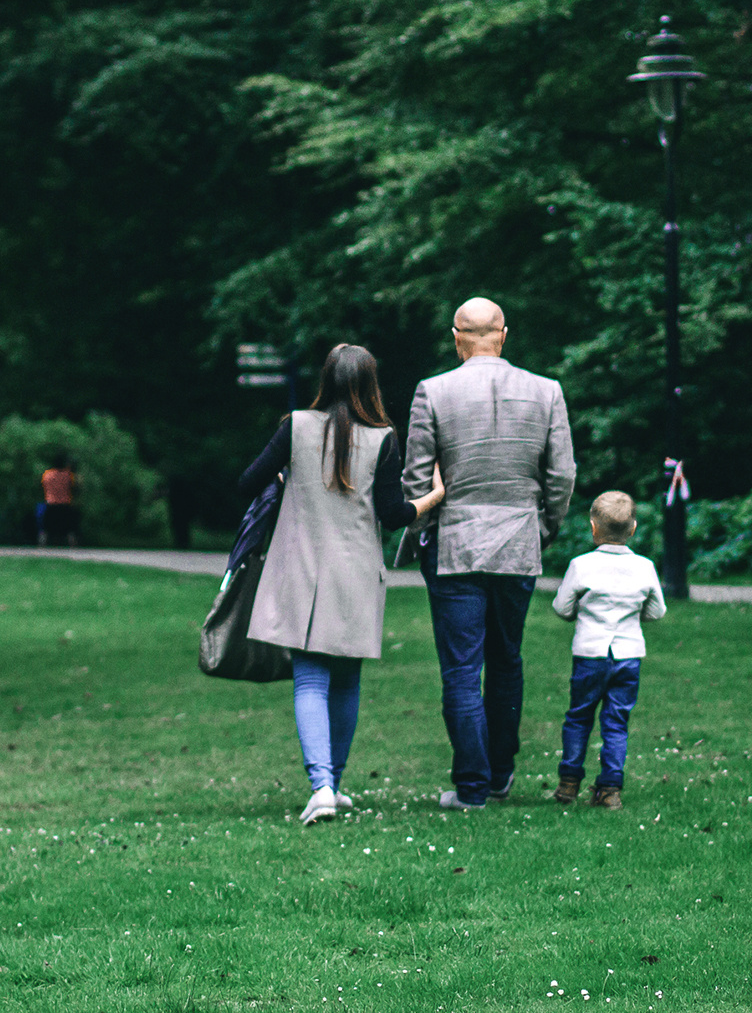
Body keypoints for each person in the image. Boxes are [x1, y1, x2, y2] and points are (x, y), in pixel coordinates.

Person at [240, 344, 446, 824]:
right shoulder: (384, 439)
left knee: (311, 677)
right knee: (347, 679)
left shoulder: (294, 427)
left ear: (326, 379)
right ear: (370, 384)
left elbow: (246, 484)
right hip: (356, 573)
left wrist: (287, 470)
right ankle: (334, 781)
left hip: (302, 569)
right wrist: (434, 496)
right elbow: (394, 515)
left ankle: (323, 785)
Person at [401, 296, 575, 811]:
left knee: (460, 670)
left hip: (455, 545)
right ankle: (499, 776)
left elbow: (415, 478)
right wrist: (542, 528)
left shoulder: (432, 391)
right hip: (518, 542)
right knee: (506, 662)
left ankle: (472, 789)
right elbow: (561, 475)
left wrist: (423, 532)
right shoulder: (547, 392)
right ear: (505, 334)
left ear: (456, 336)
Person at [549, 491, 666, 809]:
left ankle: (569, 782)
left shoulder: (581, 565)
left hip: (590, 654)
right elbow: (656, 611)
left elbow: (562, 607)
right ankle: (610, 788)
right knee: (616, 721)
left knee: (579, 717)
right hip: (627, 655)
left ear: (593, 527)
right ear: (633, 528)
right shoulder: (644, 567)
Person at [39, 455, 81, 546]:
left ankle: (41, 549)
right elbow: (75, 488)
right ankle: (74, 548)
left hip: (51, 505)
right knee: (71, 530)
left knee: (45, 530)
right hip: (65, 505)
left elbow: (43, 487)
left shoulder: (47, 475)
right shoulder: (68, 475)